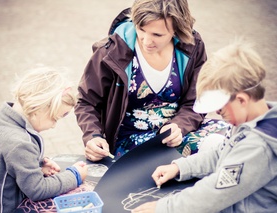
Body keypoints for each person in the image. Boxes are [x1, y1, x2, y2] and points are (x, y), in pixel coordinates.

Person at [131, 40, 277, 213]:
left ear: (241, 100)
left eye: (220, 108)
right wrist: (180, 167)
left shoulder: (258, 147)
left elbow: (216, 192)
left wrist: (164, 208)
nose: (218, 113)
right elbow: (222, 153)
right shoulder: (249, 120)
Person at [74, 0, 207, 161]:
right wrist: (93, 136)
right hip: (131, 139)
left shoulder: (193, 47)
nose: (146, 41)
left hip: (180, 133)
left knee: (224, 141)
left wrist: (180, 126)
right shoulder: (110, 51)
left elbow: (198, 100)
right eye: (141, 29)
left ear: (177, 29)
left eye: (157, 35)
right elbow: (86, 101)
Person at [0, 66, 88, 213]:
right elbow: (37, 190)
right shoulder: (19, 143)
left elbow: (1, 165)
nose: (54, 126)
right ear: (39, 108)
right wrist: (74, 175)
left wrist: (36, 166)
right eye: (54, 118)